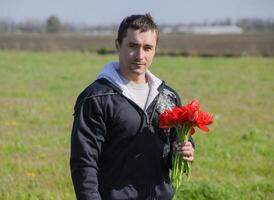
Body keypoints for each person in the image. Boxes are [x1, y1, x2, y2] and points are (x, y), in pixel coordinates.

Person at [70, 14, 194, 200]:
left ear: (155, 50)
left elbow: (173, 148)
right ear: (118, 45)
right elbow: (84, 162)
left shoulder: (168, 97)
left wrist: (185, 150)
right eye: (133, 46)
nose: (140, 56)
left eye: (147, 48)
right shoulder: (97, 97)